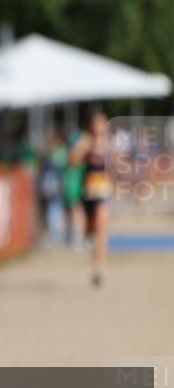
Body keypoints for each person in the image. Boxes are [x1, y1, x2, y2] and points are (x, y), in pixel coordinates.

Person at [69, 111, 112, 286]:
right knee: (90, 233)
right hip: (87, 193)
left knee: (102, 230)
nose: (98, 128)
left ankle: (98, 269)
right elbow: (72, 161)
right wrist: (84, 149)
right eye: (95, 124)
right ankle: (89, 240)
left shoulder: (109, 144)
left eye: (101, 124)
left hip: (103, 194)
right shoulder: (85, 141)